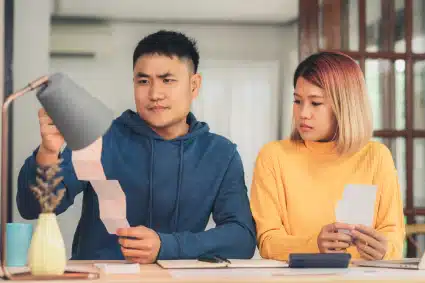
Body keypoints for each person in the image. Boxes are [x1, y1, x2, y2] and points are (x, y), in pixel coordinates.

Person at [17, 30, 256, 263]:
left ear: (194, 85)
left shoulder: (220, 153)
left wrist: (167, 246)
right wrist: (48, 152)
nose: (154, 94)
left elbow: (241, 238)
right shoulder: (99, 137)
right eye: (143, 81)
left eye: (167, 80)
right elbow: (33, 208)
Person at [250, 51, 405, 261]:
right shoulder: (273, 157)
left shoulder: (377, 157)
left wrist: (385, 250)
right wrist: (314, 244)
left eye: (315, 103)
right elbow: (267, 241)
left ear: (345, 105)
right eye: (297, 101)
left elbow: (394, 238)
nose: (303, 113)